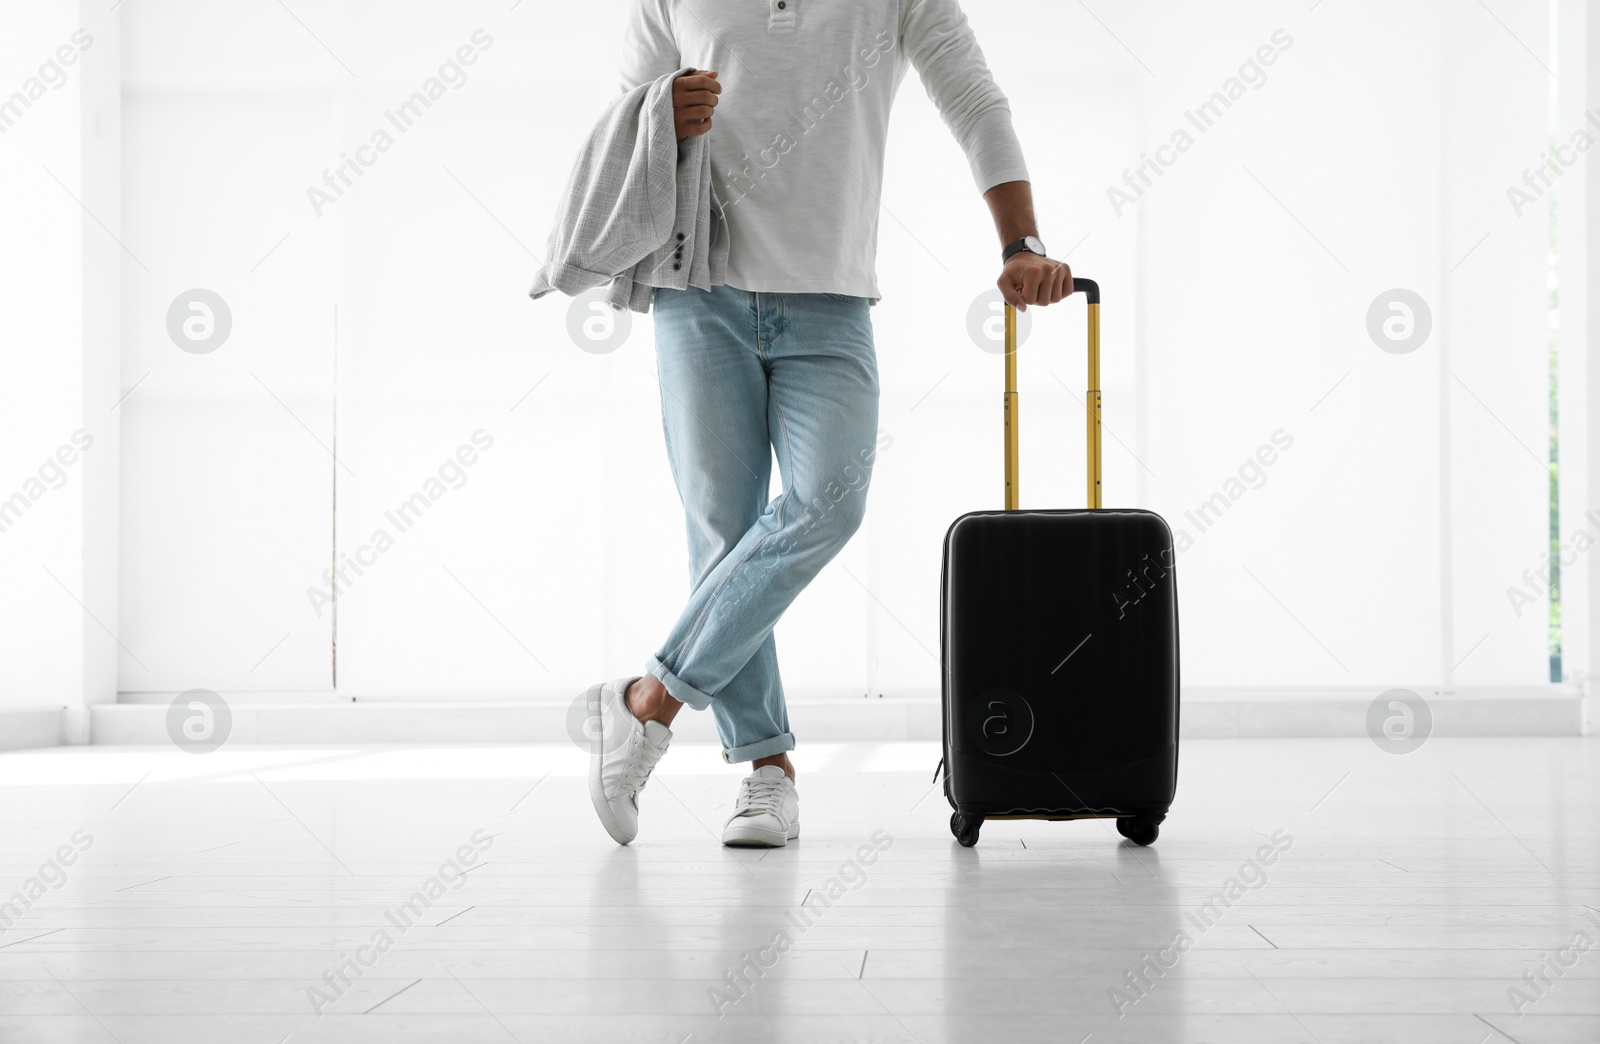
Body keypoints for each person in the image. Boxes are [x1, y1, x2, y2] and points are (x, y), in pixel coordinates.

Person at [585, 0, 1073, 848]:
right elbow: (618, 130)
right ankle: (767, 773)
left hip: (831, 300)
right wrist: (656, 114)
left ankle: (646, 703)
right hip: (697, 292)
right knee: (725, 532)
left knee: (828, 504)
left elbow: (976, 101)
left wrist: (1019, 241)